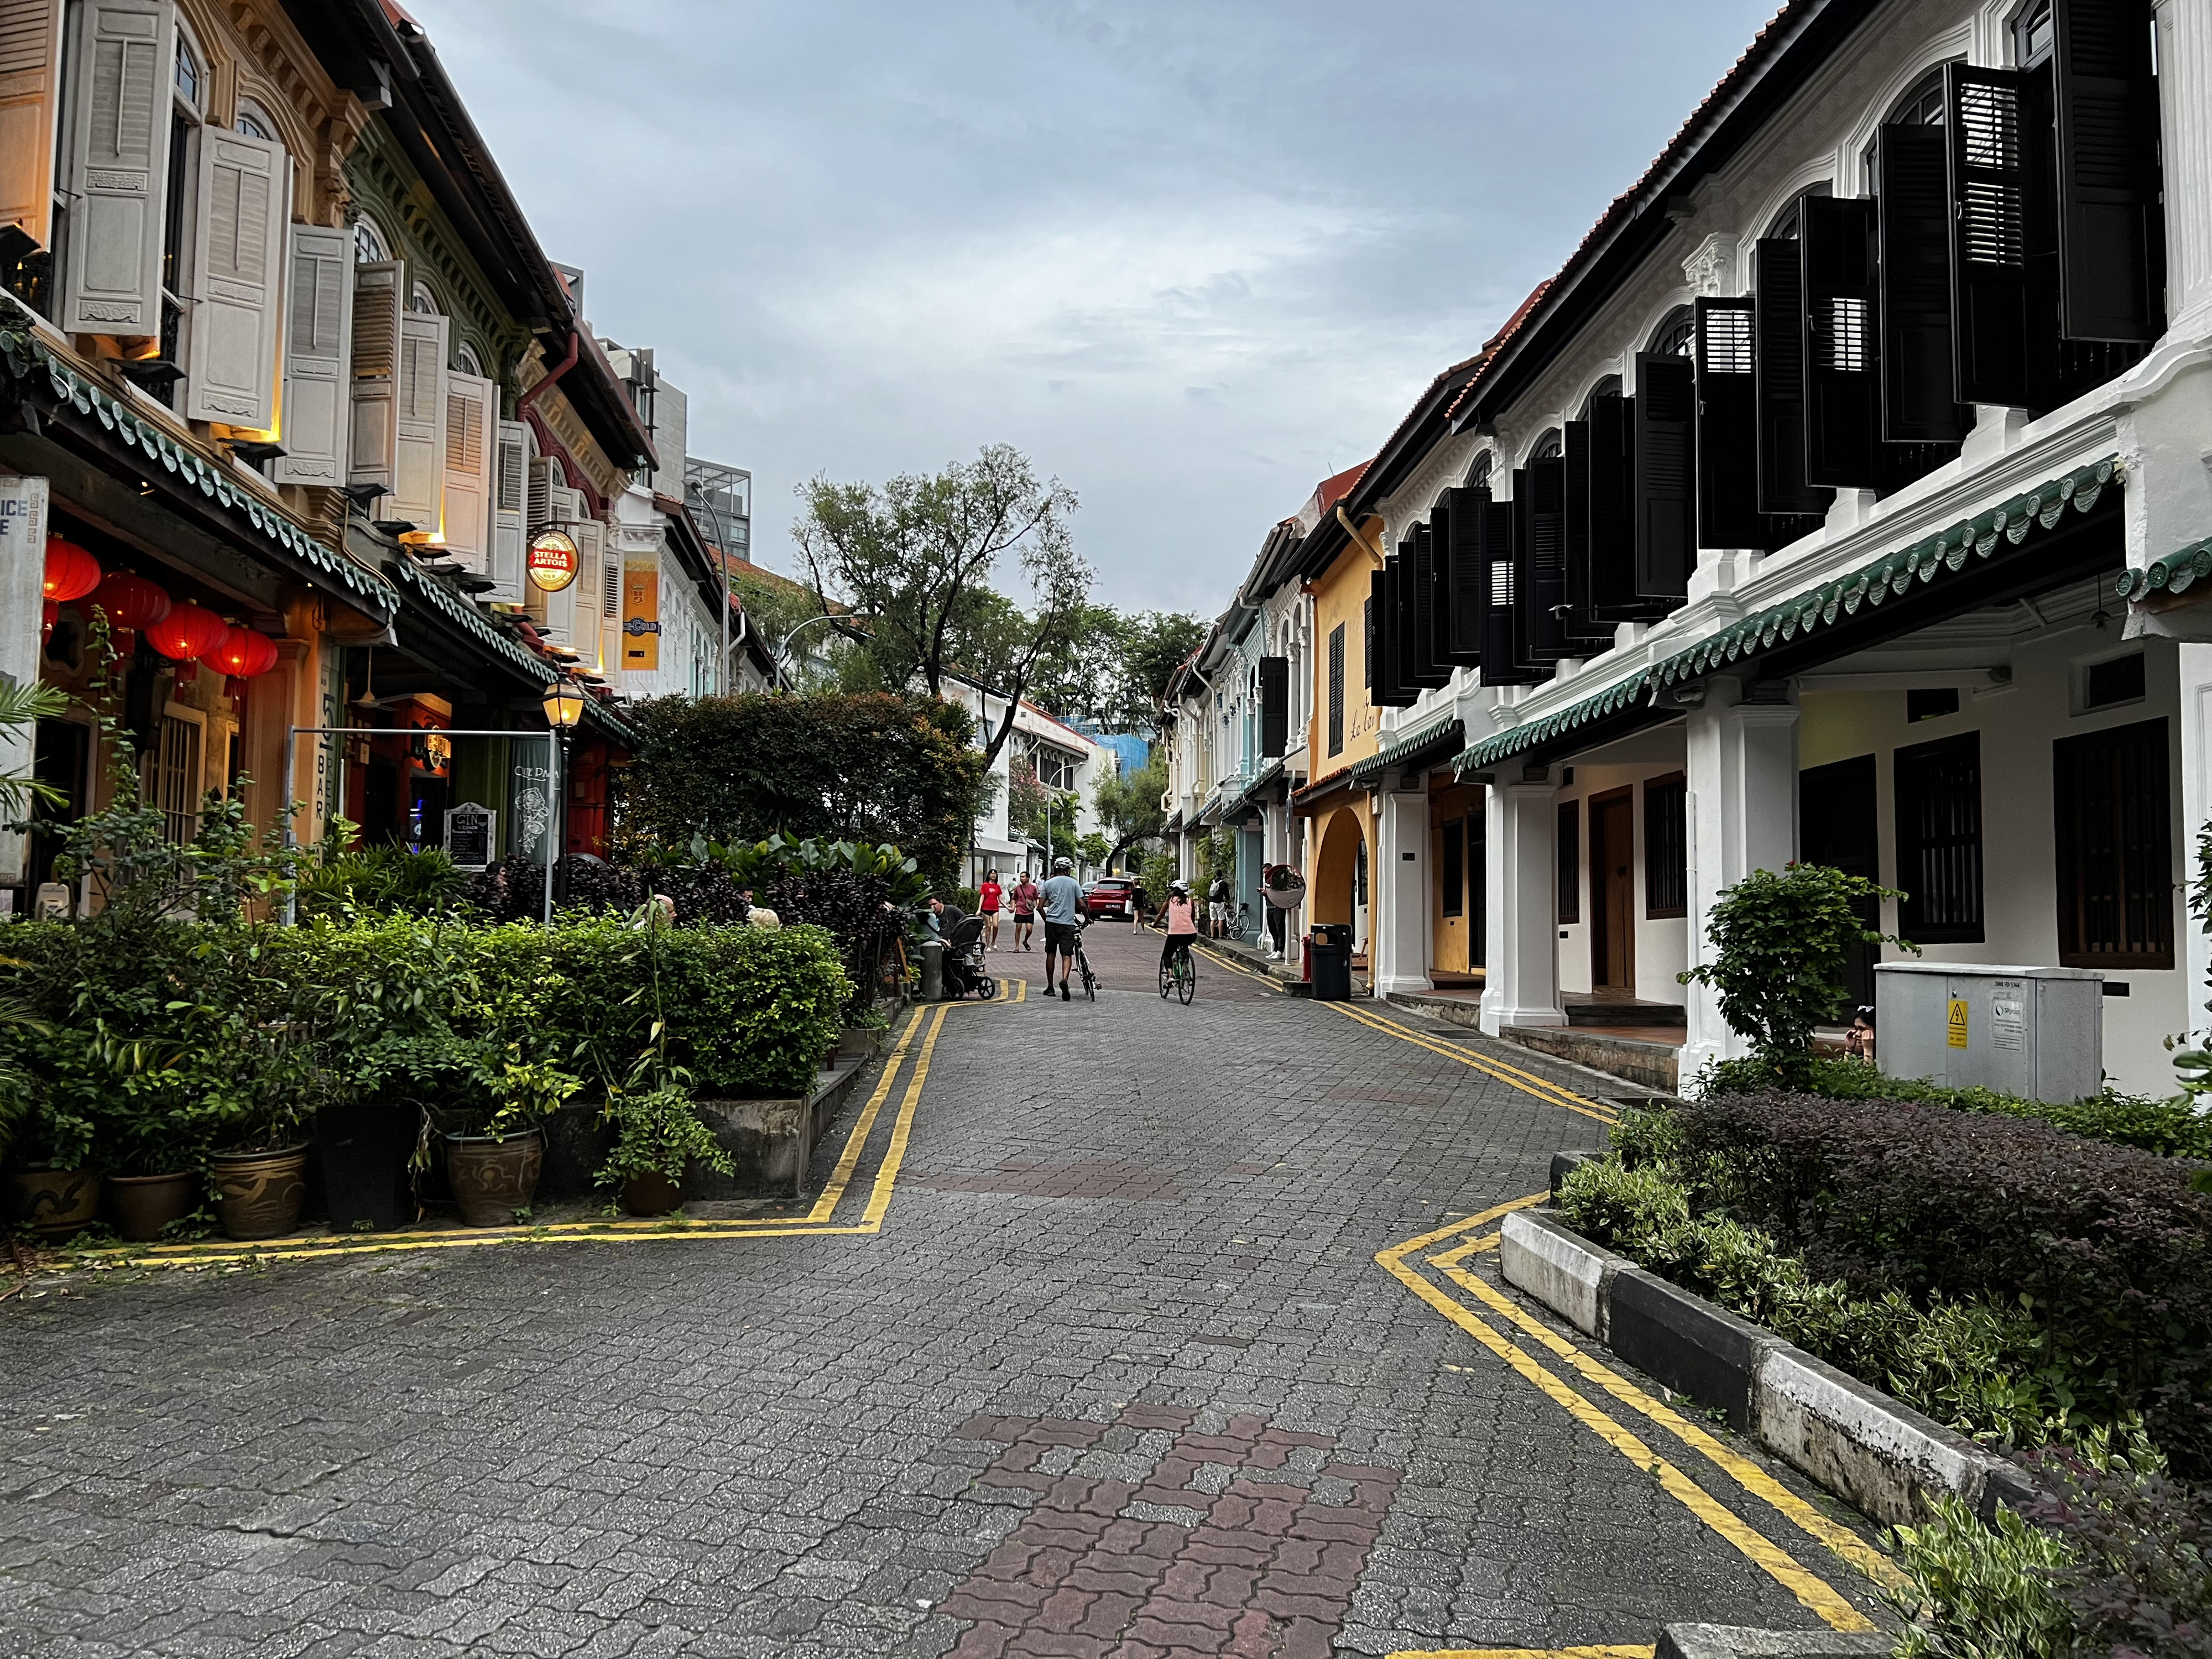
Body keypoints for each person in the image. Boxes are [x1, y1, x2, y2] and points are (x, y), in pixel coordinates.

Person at [1039, 855, 1085, 1001]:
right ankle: (1065, 979)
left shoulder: (1048, 883)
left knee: (1051, 954)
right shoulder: (1074, 883)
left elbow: (1040, 907)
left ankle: (1050, 987)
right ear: (1067, 869)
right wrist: (1088, 918)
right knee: (1067, 954)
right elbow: (1082, 905)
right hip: (1068, 924)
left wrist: (1047, 920)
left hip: (1052, 923)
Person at [1159, 879, 1198, 984]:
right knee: (1184, 947)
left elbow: (1161, 915)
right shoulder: (1191, 901)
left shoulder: (1170, 900)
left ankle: (1171, 976)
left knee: (1167, 955)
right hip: (1191, 934)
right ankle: (1185, 968)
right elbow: (1192, 917)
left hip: (1175, 934)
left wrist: (1154, 925)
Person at [1011, 868, 1039, 951]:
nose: (1022, 878)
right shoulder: (1018, 888)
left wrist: (1037, 904)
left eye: (1023, 877)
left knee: (1029, 930)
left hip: (1029, 911)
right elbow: (1014, 899)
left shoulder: (1033, 888)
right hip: (1019, 910)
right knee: (1018, 928)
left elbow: (1037, 898)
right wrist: (1013, 906)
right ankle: (1017, 947)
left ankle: (1025, 941)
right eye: (1021, 877)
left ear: (1028, 878)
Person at [978, 868, 1004, 952]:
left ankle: (993, 942)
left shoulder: (997, 887)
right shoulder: (985, 885)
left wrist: (1008, 908)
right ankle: (988, 945)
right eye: (992, 874)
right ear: (989, 875)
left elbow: (1001, 899)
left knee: (996, 926)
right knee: (988, 927)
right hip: (986, 908)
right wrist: (979, 909)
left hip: (995, 908)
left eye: (995, 874)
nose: (994, 875)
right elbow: (982, 897)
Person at [1207, 874, 1230, 939]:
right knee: (1221, 919)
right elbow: (1227, 895)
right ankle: (1220, 936)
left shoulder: (1212, 882)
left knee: (1213, 920)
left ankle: (1212, 936)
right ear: (1222, 876)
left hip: (1211, 903)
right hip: (1219, 903)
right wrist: (1228, 903)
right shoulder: (1223, 884)